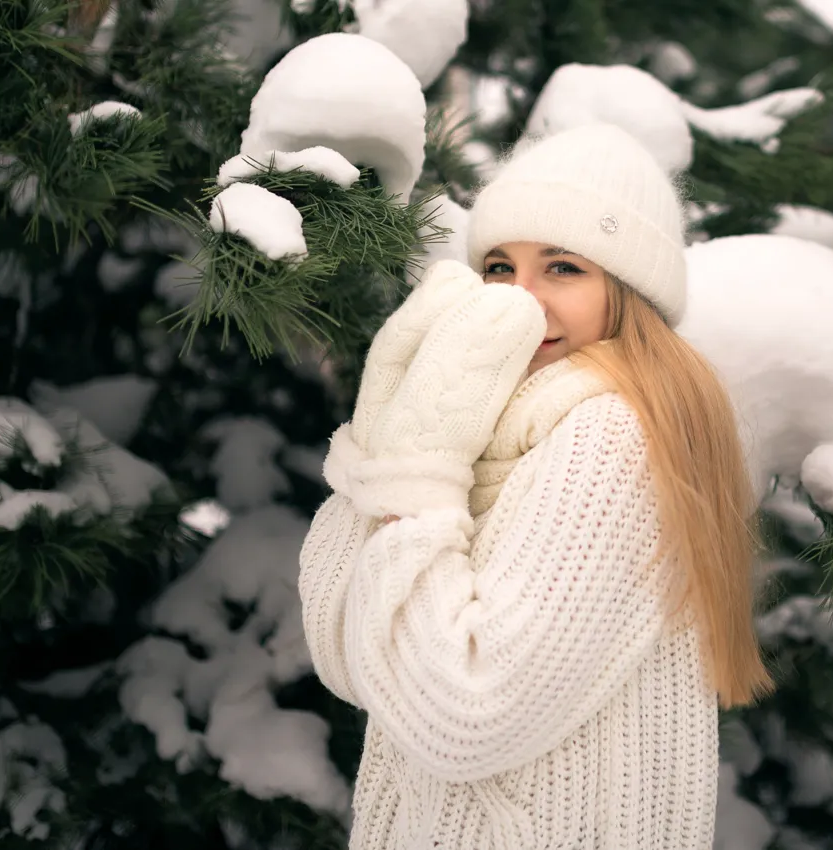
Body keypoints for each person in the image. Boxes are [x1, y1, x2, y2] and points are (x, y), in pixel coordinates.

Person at [298, 122, 773, 850]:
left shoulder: (612, 437)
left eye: (562, 268)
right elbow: (346, 656)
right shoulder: (488, 429)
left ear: (630, 293)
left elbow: (466, 710)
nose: (521, 300)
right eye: (498, 267)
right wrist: (389, 434)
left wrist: (418, 477)